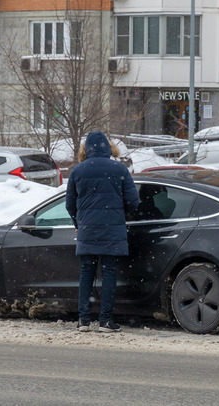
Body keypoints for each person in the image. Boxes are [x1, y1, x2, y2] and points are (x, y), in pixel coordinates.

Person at [66, 131, 140, 333]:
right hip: (112, 230)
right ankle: (106, 321)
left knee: (86, 273)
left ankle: (83, 320)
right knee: (109, 274)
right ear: (108, 147)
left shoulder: (77, 171)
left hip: (87, 230)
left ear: (86, 149)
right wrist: (119, 214)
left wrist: (78, 222)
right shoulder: (119, 169)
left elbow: (70, 204)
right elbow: (133, 202)